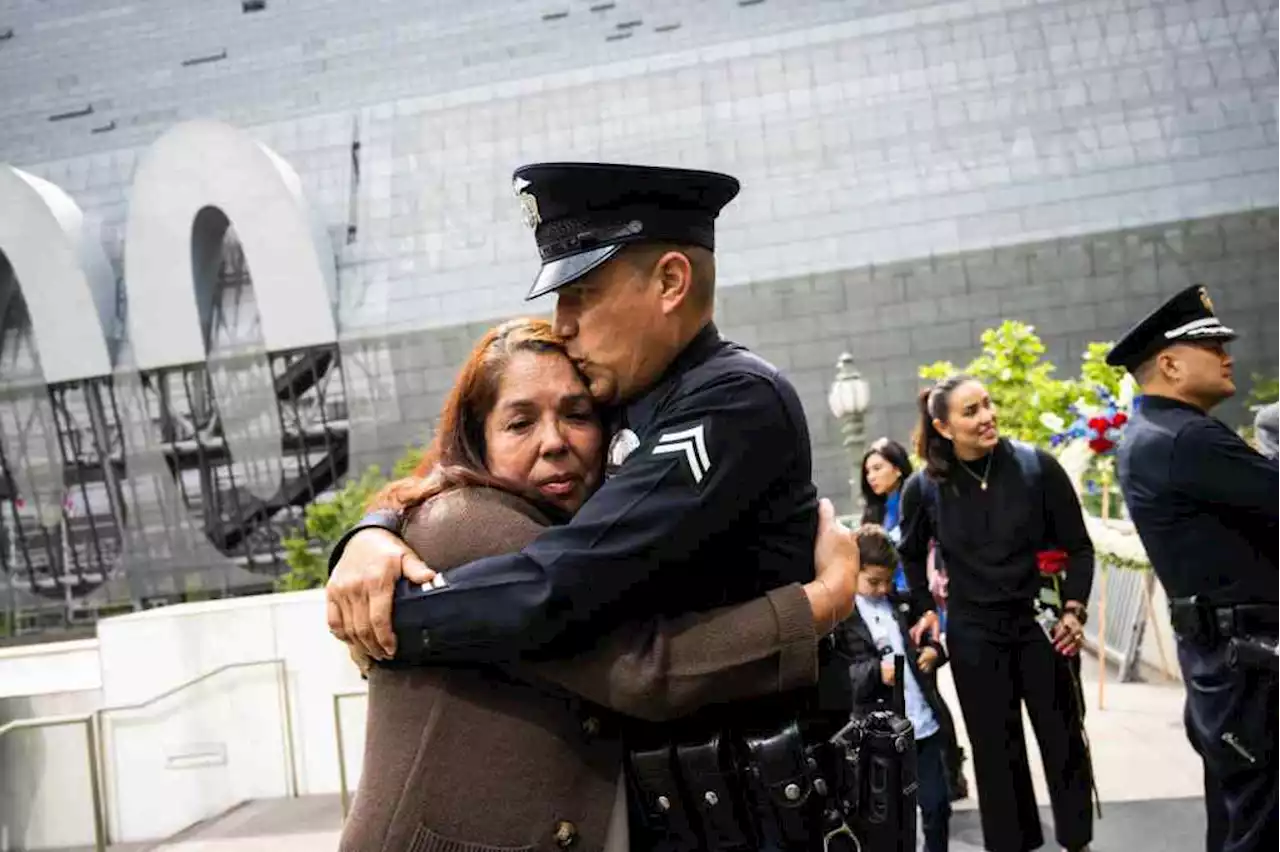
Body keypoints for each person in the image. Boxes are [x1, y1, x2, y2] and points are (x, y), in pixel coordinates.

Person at [326, 162, 864, 850]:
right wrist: (375, 529)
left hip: (753, 802)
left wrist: (395, 619)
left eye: (582, 294)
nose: (566, 326)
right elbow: (457, 483)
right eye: (522, 423)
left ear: (670, 282)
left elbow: (563, 583)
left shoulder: (732, 400)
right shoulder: (639, 400)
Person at [1106, 284, 1280, 852]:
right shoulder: (1186, 439)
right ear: (1170, 363)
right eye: (1214, 347)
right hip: (1252, 668)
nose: (1228, 355)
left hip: (1227, 661)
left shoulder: (1151, 433)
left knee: (1234, 820)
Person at [899, 374, 1096, 852]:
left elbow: (1079, 547)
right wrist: (924, 607)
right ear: (944, 427)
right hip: (974, 635)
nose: (987, 417)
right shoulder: (923, 488)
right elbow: (908, 553)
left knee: (1063, 740)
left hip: (1041, 628)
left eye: (987, 405)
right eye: (971, 411)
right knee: (994, 752)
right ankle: (1013, 843)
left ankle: (1077, 840)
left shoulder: (1036, 467)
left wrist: (1074, 610)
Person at [839, 524, 956, 852]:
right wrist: (878, 672)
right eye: (873, 581)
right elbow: (841, 676)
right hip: (879, 734)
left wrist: (934, 650)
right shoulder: (842, 616)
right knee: (888, 820)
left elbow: (934, 634)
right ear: (854, 570)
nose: (881, 588)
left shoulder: (902, 604)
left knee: (936, 806)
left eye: (888, 581)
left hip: (924, 725)